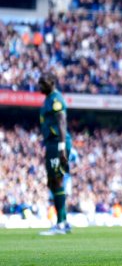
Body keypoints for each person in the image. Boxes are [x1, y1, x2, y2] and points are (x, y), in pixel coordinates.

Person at [38, 72, 73, 235]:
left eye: (43, 82)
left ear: (52, 82)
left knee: (57, 181)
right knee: (52, 182)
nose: (40, 86)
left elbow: (62, 121)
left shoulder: (56, 99)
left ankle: (61, 223)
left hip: (57, 143)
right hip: (51, 144)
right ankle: (63, 221)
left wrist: (61, 147)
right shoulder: (47, 99)